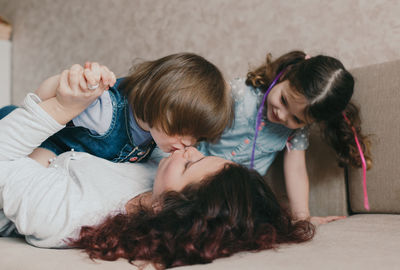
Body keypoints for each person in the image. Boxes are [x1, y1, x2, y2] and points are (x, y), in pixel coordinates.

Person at [0, 65, 314, 269]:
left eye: (191, 162)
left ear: (172, 207)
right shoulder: (154, 175)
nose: (188, 150)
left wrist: (61, 107)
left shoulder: (70, 215)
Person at [198, 50, 372, 224]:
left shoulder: (296, 132)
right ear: (286, 74)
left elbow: (296, 171)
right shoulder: (239, 93)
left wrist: (302, 218)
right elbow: (197, 118)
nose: (282, 115)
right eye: (283, 100)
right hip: (197, 171)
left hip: (235, 196)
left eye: (296, 119)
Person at [6, 53, 233, 167]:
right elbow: (44, 98)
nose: (187, 143)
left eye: (197, 138)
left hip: (81, 164)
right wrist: (78, 84)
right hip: (51, 143)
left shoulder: (158, 137)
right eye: (183, 129)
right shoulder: (105, 108)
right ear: (161, 99)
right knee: (28, 172)